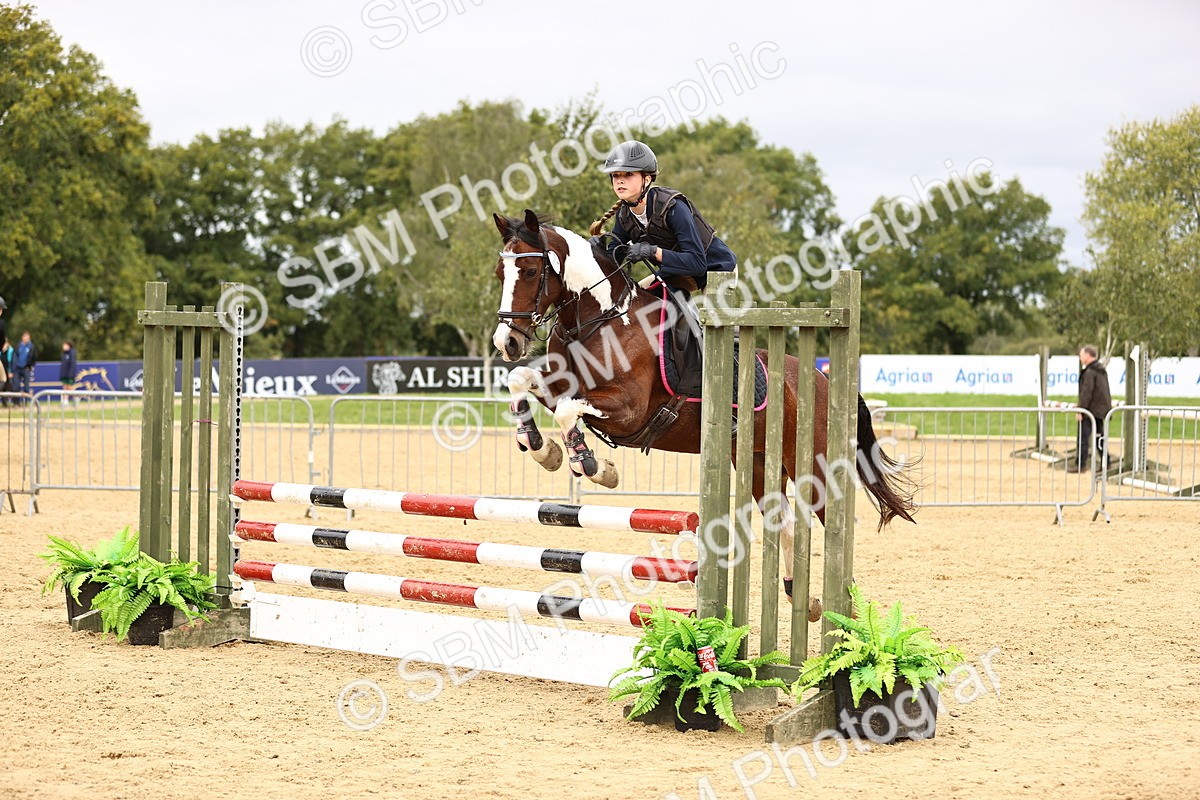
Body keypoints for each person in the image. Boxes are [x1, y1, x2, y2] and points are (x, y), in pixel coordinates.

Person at [588, 140, 737, 293]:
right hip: (676, 273)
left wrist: (653, 252)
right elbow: (613, 264)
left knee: (712, 315)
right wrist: (596, 254)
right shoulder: (624, 216)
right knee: (635, 298)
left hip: (715, 268)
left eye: (629, 174)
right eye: (615, 175)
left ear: (646, 179)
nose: (620, 180)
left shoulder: (672, 207)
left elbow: (697, 264)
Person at [1068, 345, 1112, 473]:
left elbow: (1086, 393)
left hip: (1090, 411)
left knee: (1083, 438)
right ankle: (1106, 462)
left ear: (1087, 356)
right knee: (1099, 438)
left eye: (1081, 355)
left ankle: (1081, 464)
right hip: (1100, 411)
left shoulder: (1090, 372)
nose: (1080, 358)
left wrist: (1081, 410)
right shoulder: (1101, 370)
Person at [14, 331, 37, 403]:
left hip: (25, 368)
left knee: (26, 387)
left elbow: (34, 357)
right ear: (22, 337)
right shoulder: (18, 346)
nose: (26, 339)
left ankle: (26, 403)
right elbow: (15, 356)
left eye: (28, 337)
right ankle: (16, 403)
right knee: (16, 386)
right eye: (25, 337)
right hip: (17, 369)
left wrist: (29, 366)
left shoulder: (31, 347)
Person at [60, 340, 77, 406]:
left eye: (65, 345)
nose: (63, 347)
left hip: (70, 374)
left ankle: (75, 399)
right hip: (65, 374)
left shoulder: (72, 353)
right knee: (65, 387)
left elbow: (72, 364)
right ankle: (65, 401)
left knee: (70, 387)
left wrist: (71, 374)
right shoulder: (64, 354)